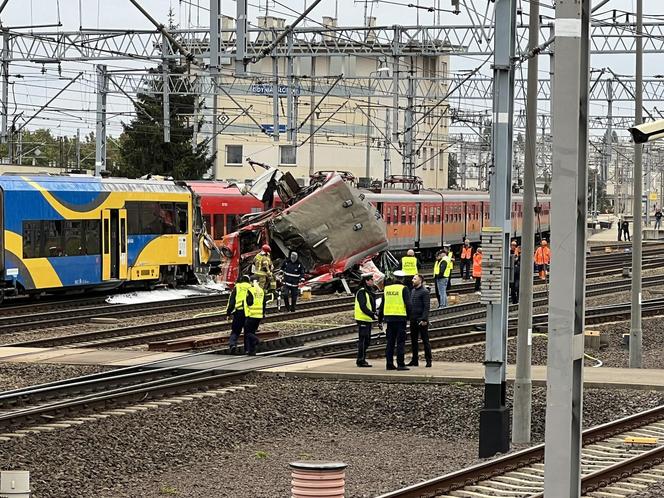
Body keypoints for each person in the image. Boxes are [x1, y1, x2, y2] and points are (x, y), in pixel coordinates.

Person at [378, 271, 411, 371]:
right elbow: (408, 304)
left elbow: (382, 306)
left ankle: (389, 364)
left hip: (389, 319)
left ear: (394, 278)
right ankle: (400, 364)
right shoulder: (404, 289)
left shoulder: (387, 289)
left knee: (390, 343)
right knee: (400, 342)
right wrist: (409, 317)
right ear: (403, 279)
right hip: (400, 319)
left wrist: (380, 320)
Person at [407, 274, 432, 368]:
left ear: (420, 281)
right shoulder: (413, 291)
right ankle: (414, 360)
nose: (412, 280)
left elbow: (426, 306)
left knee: (425, 340)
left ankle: (428, 360)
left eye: (414, 279)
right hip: (413, 319)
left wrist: (424, 319)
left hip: (421, 320)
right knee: (413, 341)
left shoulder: (425, 292)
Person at [354, 273, 377, 368]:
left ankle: (361, 359)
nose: (373, 281)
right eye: (371, 279)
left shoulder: (368, 291)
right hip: (362, 319)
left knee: (366, 340)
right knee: (363, 341)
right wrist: (372, 314)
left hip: (367, 319)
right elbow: (363, 306)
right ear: (366, 281)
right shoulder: (362, 292)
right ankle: (360, 360)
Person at [226, 275, 251, 353]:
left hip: (238, 312)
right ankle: (247, 349)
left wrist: (228, 313)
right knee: (248, 332)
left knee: (235, 331)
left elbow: (232, 301)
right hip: (248, 313)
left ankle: (232, 344)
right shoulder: (252, 287)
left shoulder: (237, 287)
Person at [242, 279, 265, 356]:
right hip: (259, 315)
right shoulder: (261, 291)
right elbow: (264, 303)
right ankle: (252, 351)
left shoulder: (250, 290)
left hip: (251, 314)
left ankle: (257, 340)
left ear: (251, 282)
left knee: (248, 333)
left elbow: (249, 302)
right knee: (253, 332)